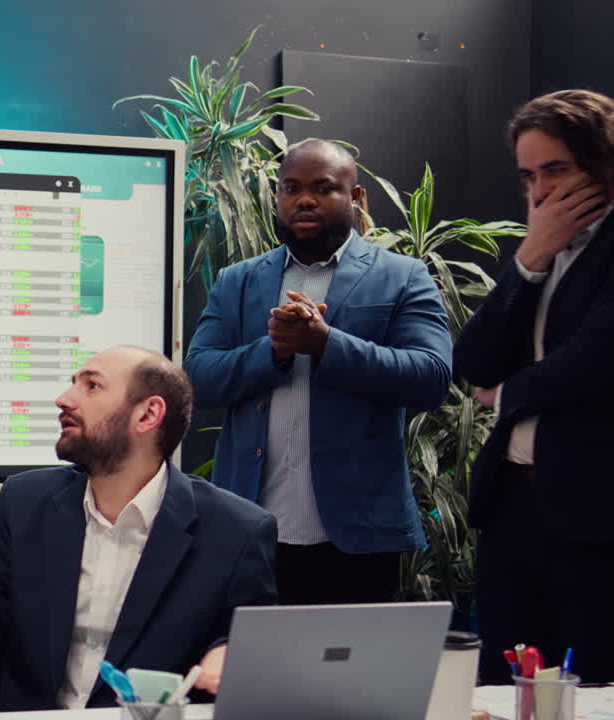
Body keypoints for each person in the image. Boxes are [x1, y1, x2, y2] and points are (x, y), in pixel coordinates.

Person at [0, 346, 277, 710]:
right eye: (73, 382)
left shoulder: (235, 532)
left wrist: (232, 651)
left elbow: (245, 637)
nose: (64, 399)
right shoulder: (29, 502)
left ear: (148, 415)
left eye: (91, 385)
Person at [185, 139, 453, 605]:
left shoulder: (404, 276)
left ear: (356, 198)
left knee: (350, 679)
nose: (303, 199)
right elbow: (197, 379)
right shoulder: (237, 281)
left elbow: (431, 377)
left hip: (359, 540)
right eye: (291, 188)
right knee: (253, 676)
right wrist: (273, 352)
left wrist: (327, 345)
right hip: (250, 532)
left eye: (323, 188)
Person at [455, 89, 614, 684]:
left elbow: (592, 364)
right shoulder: (543, 247)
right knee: (503, 684)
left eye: (556, 170)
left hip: (595, 514)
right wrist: (530, 257)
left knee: (590, 687)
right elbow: (473, 361)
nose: (540, 191)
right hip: (514, 508)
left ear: (603, 165)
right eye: (528, 175)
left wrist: (509, 393)